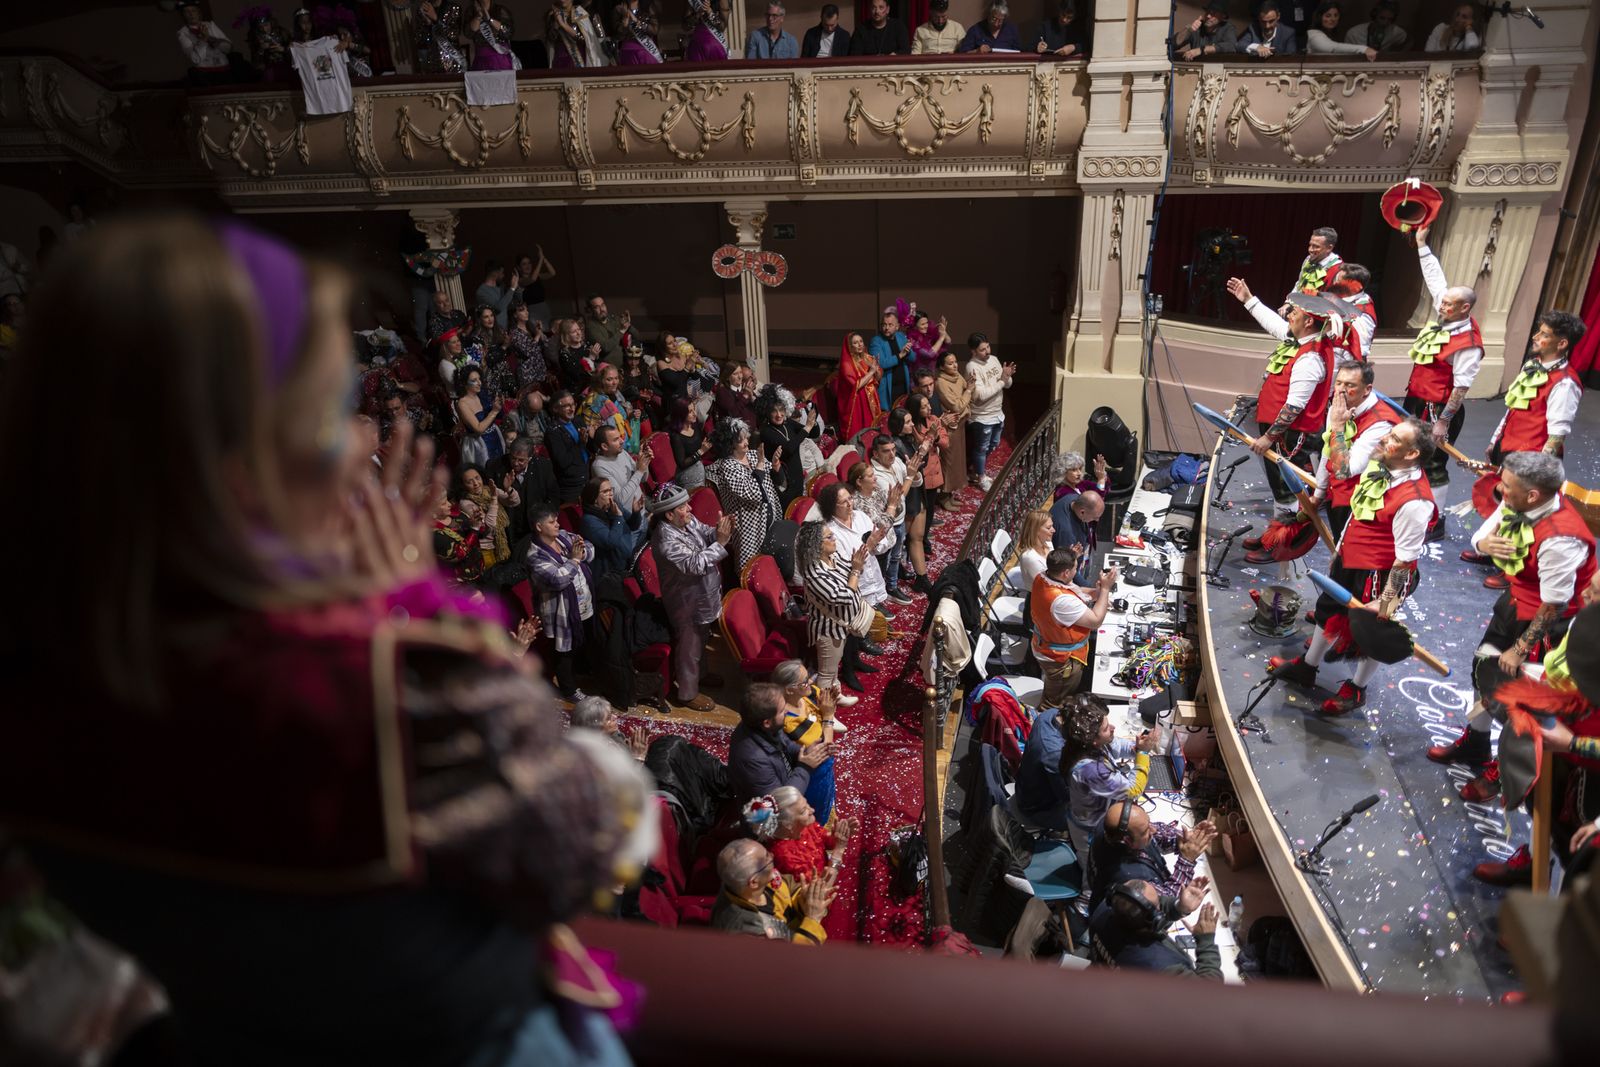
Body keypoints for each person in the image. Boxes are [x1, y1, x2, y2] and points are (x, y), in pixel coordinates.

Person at [0, 214, 655, 1065]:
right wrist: (423, 611)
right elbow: (595, 835)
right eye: (336, 412)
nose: (364, 446)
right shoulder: (396, 685)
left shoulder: (36, 677)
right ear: (249, 466)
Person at [1430, 452, 1596, 801]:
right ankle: (1476, 743)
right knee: (1484, 669)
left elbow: (1554, 605)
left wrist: (1520, 649)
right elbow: (1481, 536)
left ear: (1533, 495)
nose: (1500, 490)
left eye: (1506, 486)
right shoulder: (1519, 501)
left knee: (1525, 701)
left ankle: (1504, 772)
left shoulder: (1561, 539)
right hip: (1517, 601)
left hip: (1551, 624)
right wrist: (1484, 544)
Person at [1269, 419, 1438, 714]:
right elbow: (1357, 514)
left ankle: (1357, 689)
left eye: (1394, 439)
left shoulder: (1416, 502)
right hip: (1350, 559)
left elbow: (1405, 560)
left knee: (1369, 634)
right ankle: (1307, 668)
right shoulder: (1381, 466)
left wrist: (1385, 602)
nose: (1384, 439)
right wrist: (1340, 551)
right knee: (1327, 610)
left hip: (1379, 576)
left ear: (1412, 454)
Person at [1223, 284, 1337, 523]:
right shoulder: (1304, 340)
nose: (1289, 315)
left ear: (1308, 321)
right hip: (1284, 432)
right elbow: (1276, 325)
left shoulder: (1311, 357)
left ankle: (1283, 534)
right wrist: (1248, 299)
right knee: (1281, 485)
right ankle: (1281, 530)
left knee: (1285, 488)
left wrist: (1268, 437)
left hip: (1289, 435)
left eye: (1294, 312)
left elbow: (1294, 406)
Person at [1400, 224, 1483, 511]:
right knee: (1409, 453)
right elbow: (1435, 278)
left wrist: (1443, 422)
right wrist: (1422, 244)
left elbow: (1461, 387)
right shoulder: (1446, 311)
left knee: (1434, 463)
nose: (1441, 306)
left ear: (1464, 309)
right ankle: (1409, 503)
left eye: (1448, 304)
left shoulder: (1469, 343)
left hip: (1438, 408)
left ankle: (1434, 518)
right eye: (1443, 302)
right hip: (1416, 398)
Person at [648, 483, 733, 712]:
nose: (690, 509)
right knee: (689, 648)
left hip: (701, 595)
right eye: (684, 507)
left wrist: (719, 530)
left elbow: (705, 532)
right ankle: (687, 693)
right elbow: (694, 564)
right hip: (685, 602)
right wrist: (721, 542)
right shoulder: (665, 540)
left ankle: (701, 675)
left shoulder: (685, 520)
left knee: (702, 639)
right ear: (669, 514)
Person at [1486, 311, 1587, 466]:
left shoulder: (1565, 383)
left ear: (1561, 344)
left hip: (1530, 460)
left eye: (1544, 335)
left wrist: (1537, 470)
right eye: (1538, 331)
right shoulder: (1531, 365)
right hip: (1505, 447)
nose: (1535, 337)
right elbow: (1512, 408)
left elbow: (1557, 434)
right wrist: (1495, 441)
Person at [1059, 696, 1155, 855]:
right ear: (1093, 741)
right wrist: (1143, 753)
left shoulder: (1085, 744)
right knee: (1092, 861)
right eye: (1105, 729)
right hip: (1090, 831)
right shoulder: (1090, 771)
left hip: (1100, 817)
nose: (1112, 727)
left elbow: (1117, 745)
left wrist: (1138, 747)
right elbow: (1133, 790)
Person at [797, 520, 877, 708]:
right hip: (828, 630)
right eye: (829, 537)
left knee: (833, 670)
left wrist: (858, 564)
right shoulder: (814, 573)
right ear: (817, 545)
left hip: (841, 625)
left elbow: (852, 571)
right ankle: (826, 712)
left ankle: (836, 695)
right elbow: (844, 597)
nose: (834, 539)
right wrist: (855, 569)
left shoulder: (832, 557)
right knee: (827, 672)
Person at [1313, 360, 1395, 543]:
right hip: (1336, 494)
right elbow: (1328, 449)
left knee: (1351, 553)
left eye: (1350, 385)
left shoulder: (1381, 423)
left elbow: (1346, 470)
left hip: (1362, 504)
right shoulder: (1337, 407)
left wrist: (1338, 427)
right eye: (1338, 383)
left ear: (1367, 389)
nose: (1341, 390)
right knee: (1338, 546)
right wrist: (1319, 493)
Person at [1087, 801, 1215, 913]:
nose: (1153, 830)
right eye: (1146, 831)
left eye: (1149, 822)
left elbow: (1154, 833)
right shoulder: (1131, 880)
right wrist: (1187, 860)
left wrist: (1183, 838)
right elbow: (1167, 905)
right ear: (1127, 841)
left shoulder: (1110, 827)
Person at [526, 502, 596, 699]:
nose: (557, 524)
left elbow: (590, 548)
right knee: (564, 652)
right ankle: (569, 690)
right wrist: (575, 560)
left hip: (583, 603)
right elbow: (558, 580)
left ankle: (582, 675)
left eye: (557, 520)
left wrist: (581, 553)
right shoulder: (535, 556)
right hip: (560, 611)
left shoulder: (563, 536)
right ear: (539, 526)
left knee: (582, 644)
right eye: (552, 522)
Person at [1031, 546, 1116, 706]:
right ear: (1065, 573)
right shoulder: (1061, 601)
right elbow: (1095, 621)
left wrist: (1096, 593)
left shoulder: (1043, 577)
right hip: (1060, 659)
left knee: (1056, 692)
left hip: (1045, 644)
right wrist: (1105, 589)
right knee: (1056, 701)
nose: (1076, 572)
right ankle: (1048, 720)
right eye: (1075, 569)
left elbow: (1072, 590)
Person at [708, 839, 833, 944]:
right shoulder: (747, 929)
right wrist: (812, 918)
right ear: (754, 882)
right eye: (766, 858)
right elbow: (790, 960)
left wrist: (804, 899)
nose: (772, 856)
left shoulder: (752, 884)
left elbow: (788, 888)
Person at [1089, 880, 1221, 979]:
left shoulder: (1105, 909)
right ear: (1156, 921)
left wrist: (1179, 907)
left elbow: (1141, 906)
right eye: (1158, 907)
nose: (1161, 905)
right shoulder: (1163, 968)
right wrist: (1206, 940)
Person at [729, 681, 834, 802]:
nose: (786, 712)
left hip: (787, 780)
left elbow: (785, 744)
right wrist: (805, 767)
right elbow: (779, 801)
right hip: (775, 808)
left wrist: (806, 751)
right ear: (767, 722)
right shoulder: (753, 760)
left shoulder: (763, 723)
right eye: (782, 710)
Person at [822, 479, 894, 646]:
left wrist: (876, 543)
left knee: (874, 617)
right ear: (832, 507)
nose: (850, 504)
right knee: (859, 621)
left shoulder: (860, 516)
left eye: (850, 498)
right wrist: (869, 545)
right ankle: (861, 641)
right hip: (856, 584)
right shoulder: (831, 532)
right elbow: (845, 565)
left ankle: (871, 629)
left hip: (872, 574)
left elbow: (880, 544)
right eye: (843, 502)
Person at [706, 418, 782, 568]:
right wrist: (761, 464)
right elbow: (752, 493)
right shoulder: (728, 466)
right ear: (730, 444)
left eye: (746, 437)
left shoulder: (753, 455)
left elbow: (775, 481)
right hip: (749, 529)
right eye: (741, 440)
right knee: (751, 568)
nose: (747, 442)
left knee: (773, 566)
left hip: (770, 521)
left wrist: (775, 465)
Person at [771, 660, 842, 815]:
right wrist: (828, 715)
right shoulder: (789, 721)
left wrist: (832, 700)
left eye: (809, 676)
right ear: (789, 690)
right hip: (814, 772)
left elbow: (826, 701)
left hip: (824, 766)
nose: (810, 681)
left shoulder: (807, 694)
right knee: (819, 807)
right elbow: (825, 747)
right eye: (804, 681)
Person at [756, 786, 855, 880]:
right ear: (788, 824)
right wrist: (838, 851)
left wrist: (836, 836)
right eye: (803, 811)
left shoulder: (804, 826)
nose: (812, 810)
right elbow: (820, 888)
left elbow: (825, 841)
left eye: (807, 804)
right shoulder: (786, 857)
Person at [899, 400, 946, 592]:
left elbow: (922, 460)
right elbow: (909, 468)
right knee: (900, 540)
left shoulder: (910, 439)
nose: (912, 425)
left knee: (916, 537)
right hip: (905, 495)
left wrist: (928, 440)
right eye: (907, 422)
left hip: (918, 490)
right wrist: (928, 440)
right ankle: (894, 577)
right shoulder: (896, 445)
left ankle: (922, 578)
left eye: (912, 421)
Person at [869, 431, 919, 605]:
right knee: (885, 560)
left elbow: (916, 482)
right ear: (876, 454)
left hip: (899, 520)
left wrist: (913, 474)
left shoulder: (896, 461)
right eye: (886, 451)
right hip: (885, 525)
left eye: (893, 449)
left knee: (896, 556)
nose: (892, 454)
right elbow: (899, 499)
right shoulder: (875, 475)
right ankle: (883, 590)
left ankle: (892, 586)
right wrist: (910, 476)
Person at [754, 383, 820, 508]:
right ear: (767, 412)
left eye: (781, 410)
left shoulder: (788, 423)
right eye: (774, 411)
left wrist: (813, 421)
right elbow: (788, 449)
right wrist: (807, 427)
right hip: (782, 483)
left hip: (797, 479)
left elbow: (814, 433)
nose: (779, 415)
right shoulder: (766, 431)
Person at [964, 332, 1014, 491]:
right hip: (982, 417)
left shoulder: (993, 359)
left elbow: (1008, 384)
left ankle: (974, 468)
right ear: (973, 351)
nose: (987, 352)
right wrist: (1002, 381)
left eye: (988, 347)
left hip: (997, 413)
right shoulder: (972, 367)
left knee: (994, 444)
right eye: (982, 350)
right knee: (982, 448)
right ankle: (980, 476)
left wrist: (1007, 376)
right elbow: (980, 396)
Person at [579, 475, 646, 578]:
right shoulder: (589, 521)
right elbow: (611, 542)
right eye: (605, 491)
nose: (611, 494)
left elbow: (633, 525)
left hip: (626, 563)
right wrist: (618, 518)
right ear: (594, 498)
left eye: (611, 490)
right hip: (610, 574)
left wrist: (636, 513)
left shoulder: (613, 506)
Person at [934, 349, 972, 498]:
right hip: (951, 427)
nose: (955, 365)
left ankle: (950, 494)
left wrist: (970, 387)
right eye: (950, 363)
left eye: (955, 362)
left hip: (960, 424)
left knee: (957, 462)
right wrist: (968, 392)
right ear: (942, 367)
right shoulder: (941, 382)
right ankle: (944, 497)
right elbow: (956, 407)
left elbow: (968, 394)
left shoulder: (957, 376)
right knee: (949, 462)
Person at [589, 422, 650, 515]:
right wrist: (640, 471)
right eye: (616, 439)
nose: (622, 441)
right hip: (629, 518)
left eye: (620, 437)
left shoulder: (622, 453)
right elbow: (620, 500)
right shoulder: (599, 466)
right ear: (604, 446)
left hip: (642, 509)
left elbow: (643, 479)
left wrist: (645, 460)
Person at [835, 331, 883, 442]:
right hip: (857, 401)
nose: (860, 344)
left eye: (861, 341)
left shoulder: (867, 357)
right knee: (861, 428)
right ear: (850, 346)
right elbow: (856, 385)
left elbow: (878, 378)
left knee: (873, 426)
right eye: (855, 343)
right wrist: (871, 372)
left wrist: (876, 370)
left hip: (871, 397)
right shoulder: (847, 364)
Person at [454, 366, 506, 467]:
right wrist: (494, 411)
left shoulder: (482, 394)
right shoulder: (462, 403)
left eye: (479, 379)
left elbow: (499, 417)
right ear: (464, 383)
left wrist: (499, 406)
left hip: (495, 436)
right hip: (479, 444)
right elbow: (478, 429)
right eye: (474, 380)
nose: (479, 383)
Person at [571, 694, 650, 760]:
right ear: (595, 728)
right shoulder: (594, 757)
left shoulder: (612, 734)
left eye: (611, 713)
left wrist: (628, 746)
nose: (615, 716)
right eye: (608, 718)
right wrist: (638, 757)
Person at [1325, 262, 1376, 362]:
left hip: (1343, 364)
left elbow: (1360, 350)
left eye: (1339, 280)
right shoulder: (1335, 297)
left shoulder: (1362, 315)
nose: (1334, 283)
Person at [1049, 490, 1103, 584]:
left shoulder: (1074, 499)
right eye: (1094, 517)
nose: (1097, 520)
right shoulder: (1066, 532)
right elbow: (1066, 568)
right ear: (1082, 512)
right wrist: (1090, 588)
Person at [545, 390, 590, 503]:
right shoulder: (553, 432)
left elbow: (589, 448)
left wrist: (594, 436)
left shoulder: (578, 421)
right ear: (555, 409)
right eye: (567, 406)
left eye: (573, 404)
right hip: (571, 485)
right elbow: (563, 461)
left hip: (587, 475)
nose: (572, 409)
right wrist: (580, 443)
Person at [177, 2, 237, 84]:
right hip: (205, 75)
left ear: (199, 13)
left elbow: (228, 48)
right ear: (183, 15)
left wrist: (209, 38)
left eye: (193, 10)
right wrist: (203, 40)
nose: (191, 14)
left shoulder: (210, 25)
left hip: (225, 70)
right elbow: (195, 59)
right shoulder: (183, 33)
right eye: (187, 11)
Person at [1285, 226, 1344, 304]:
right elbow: (1299, 284)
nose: (1310, 249)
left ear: (1329, 248)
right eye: (1310, 245)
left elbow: (1333, 301)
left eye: (1316, 246)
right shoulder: (1308, 259)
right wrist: (1288, 302)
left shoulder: (1338, 270)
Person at [546, 0, 608, 67]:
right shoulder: (553, 15)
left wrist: (564, 25)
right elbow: (551, 39)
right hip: (560, 60)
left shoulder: (581, 13)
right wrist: (555, 25)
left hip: (579, 60)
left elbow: (586, 40)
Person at [1307, 1, 1378, 59]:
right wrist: (1364, 49)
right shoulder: (1313, 34)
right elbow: (1333, 48)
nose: (1333, 19)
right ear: (1319, 17)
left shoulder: (1330, 34)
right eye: (1328, 16)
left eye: (1336, 15)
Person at [666, 397, 710, 489]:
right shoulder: (676, 436)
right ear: (681, 414)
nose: (695, 414)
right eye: (690, 412)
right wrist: (701, 451)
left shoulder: (694, 426)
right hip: (687, 475)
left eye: (694, 409)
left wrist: (703, 445)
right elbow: (682, 464)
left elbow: (696, 449)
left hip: (698, 468)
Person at [1171, 0, 1237, 59]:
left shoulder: (1228, 28)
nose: (1208, 16)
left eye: (1213, 13)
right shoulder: (1198, 27)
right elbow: (1172, 45)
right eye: (1207, 12)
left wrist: (1201, 50)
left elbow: (1231, 46)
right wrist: (1188, 29)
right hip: (1196, 67)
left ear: (1223, 16)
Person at [415, 0, 467, 72]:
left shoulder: (453, 8)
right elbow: (420, 39)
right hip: (432, 64)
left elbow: (454, 34)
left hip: (452, 63)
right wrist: (428, 24)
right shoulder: (422, 10)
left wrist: (436, 19)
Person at [467, 0, 520, 69]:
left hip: (500, 59)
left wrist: (490, 20)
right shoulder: (471, 11)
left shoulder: (500, 10)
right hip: (480, 59)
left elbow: (509, 32)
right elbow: (468, 33)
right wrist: (478, 17)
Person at [515, 248, 557, 327]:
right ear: (519, 267)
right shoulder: (520, 280)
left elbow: (552, 273)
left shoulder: (537, 276)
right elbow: (532, 279)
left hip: (544, 308)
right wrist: (540, 260)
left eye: (529, 263)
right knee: (539, 331)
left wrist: (543, 258)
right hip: (532, 312)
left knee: (550, 330)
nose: (528, 266)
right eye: (524, 264)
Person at [473, 260, 519, 330]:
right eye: (502, 273)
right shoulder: (482, 292)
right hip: (493, 332)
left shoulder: (501, 287)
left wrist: (517, 288)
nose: (503, 276)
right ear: (495, 273)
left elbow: (513, 304)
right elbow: (498, 308)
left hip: (505, 329)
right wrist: (512, 288)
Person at [1016, 507, 1054, 588]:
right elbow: (1046, 585)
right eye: (1048, 528)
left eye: (1052, 526)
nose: (1054, 530)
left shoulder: (1048, 543)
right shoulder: (1030, 558)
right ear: (1035, 530)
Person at [714, 361, 758, 427]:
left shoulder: (745, 389)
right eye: (735, 374)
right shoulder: (723, 392)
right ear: (727, 377)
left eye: (740, 372)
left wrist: (752, 396)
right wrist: (745, 396)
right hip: (735, 431)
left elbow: (759, 409)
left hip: (753, 430)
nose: (740, 376)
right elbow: (732, 413)